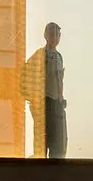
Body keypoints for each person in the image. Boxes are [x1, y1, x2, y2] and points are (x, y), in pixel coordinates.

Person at [21, 22, 67, 157]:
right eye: (52, 34)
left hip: (56, 103)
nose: (55, 38)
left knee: (58, 142)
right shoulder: (40, 55)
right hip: (44, 103)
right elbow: (26, 72)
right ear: (46, 36)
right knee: (42, 141)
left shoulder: (59, 57)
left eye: (57, 35)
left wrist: (61, 98)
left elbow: (59, 79)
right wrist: (31, 96)